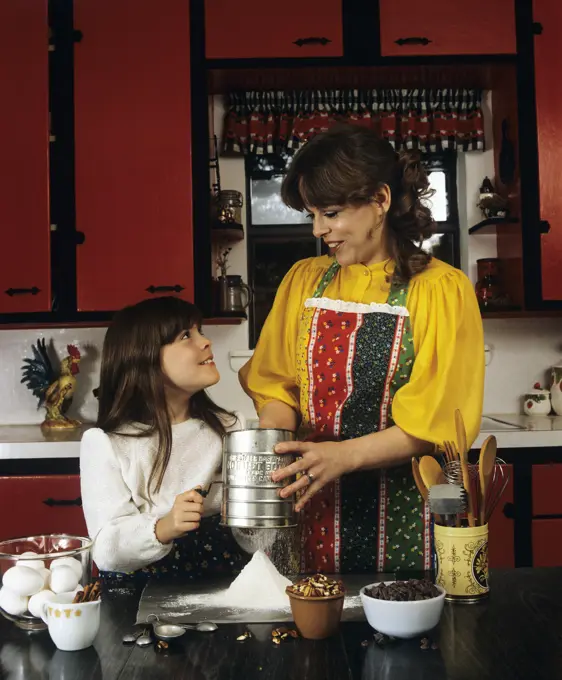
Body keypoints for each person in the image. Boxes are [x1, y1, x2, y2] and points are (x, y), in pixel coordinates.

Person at [239, 124, 485, 575]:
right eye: (313, 215)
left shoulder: (441, 290)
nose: (319, 230)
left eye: (331, 213)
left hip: (403, 519)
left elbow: (436, 423)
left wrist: (344, 455)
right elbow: (276, 386)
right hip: (309, 509)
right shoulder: (304, 280)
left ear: (380, 200)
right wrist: (280, 445)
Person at [80, 296, 246, 584]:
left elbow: (253, 539)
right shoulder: (108, 444)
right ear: (145, 359)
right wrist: (164, 527)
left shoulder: (231, 429)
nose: (206, 342)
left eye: (200, 331)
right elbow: (106, 549)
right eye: (186, 336)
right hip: (140, 595)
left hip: (226, 583)